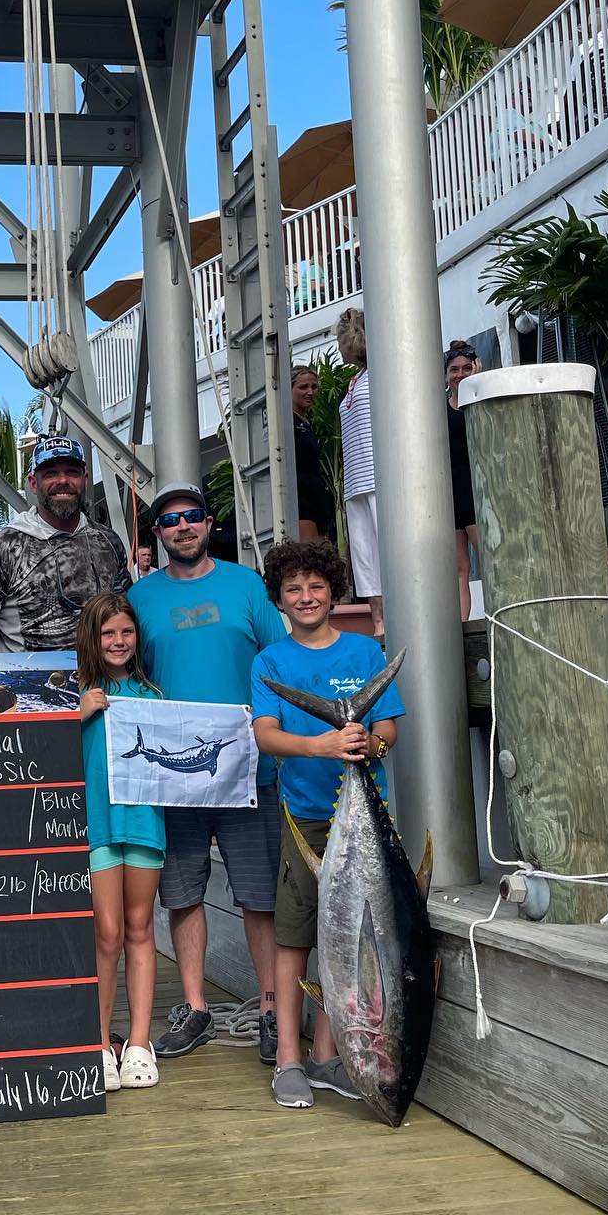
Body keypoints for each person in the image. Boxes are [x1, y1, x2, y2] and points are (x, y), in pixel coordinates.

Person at [129, 483, 287, 1065]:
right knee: (182, 894)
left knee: (260, 897)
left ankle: (271, 1008)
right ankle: (195, 1007)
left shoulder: (247, 585)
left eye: (192, 516)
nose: (183, 527)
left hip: (250, 769)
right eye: (170, 521)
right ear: (157, 534)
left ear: (209, 523)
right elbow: (125, 671)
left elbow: (279, 660)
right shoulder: (139, 597)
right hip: (175, 778)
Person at [250, 539, 404, 1111]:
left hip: (368, 826)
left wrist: (369, 745)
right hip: (306, 821)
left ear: (333, 592)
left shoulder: (363, 652)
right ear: (279, 600)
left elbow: (388, 729)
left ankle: (325, 1056)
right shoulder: (270, 662)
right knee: (294, 937)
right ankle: (288, 1059)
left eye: (316, 586)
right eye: (293, 589)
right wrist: (321, 745)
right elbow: (265, 736)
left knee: (349, 941)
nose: (306, 596)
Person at [77, 591, 165, 1093]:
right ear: (92, 638)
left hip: (146, 825)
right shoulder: (75, 694)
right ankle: (99, 1042)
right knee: (106, 933)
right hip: (97, 826)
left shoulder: (153, 696)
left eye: (126, 632)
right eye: (107, 633)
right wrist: (78, 713)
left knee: (139, 927)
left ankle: (139, 1042)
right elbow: (44, 751)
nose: (118, 641)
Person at [0, 435, 129, 653]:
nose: (62, 480)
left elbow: (127, 615)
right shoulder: (3, 546)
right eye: (50, 474)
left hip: (102, 674)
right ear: (33, 483)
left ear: (85, 479)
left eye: (72, 472)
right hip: (30, 675)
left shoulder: (107, 541)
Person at [336, 308, 383, 638]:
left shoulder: (382, 373)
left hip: (379, 478)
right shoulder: (356, 379)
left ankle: (395, 620)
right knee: (365, 562)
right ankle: (379, 623)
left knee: (384, 555)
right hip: (355, 482)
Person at [444, 340, 482, 620]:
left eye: (466, 368)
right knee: (459, 568)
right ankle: (462, 627)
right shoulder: (439, 409)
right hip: (451, 494)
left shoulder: (481, 402)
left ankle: (499, 619)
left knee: (490, 561)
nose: (460, 374)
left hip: (478, 491)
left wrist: (477, 381)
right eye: (454, 369)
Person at [290, 363, 335, 542]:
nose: (310, 392)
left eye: (314, 387)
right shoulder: (286, 423)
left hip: (317, 501)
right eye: (303, 387)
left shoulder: (306, 424)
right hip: (301, 503)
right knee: (309, 554)